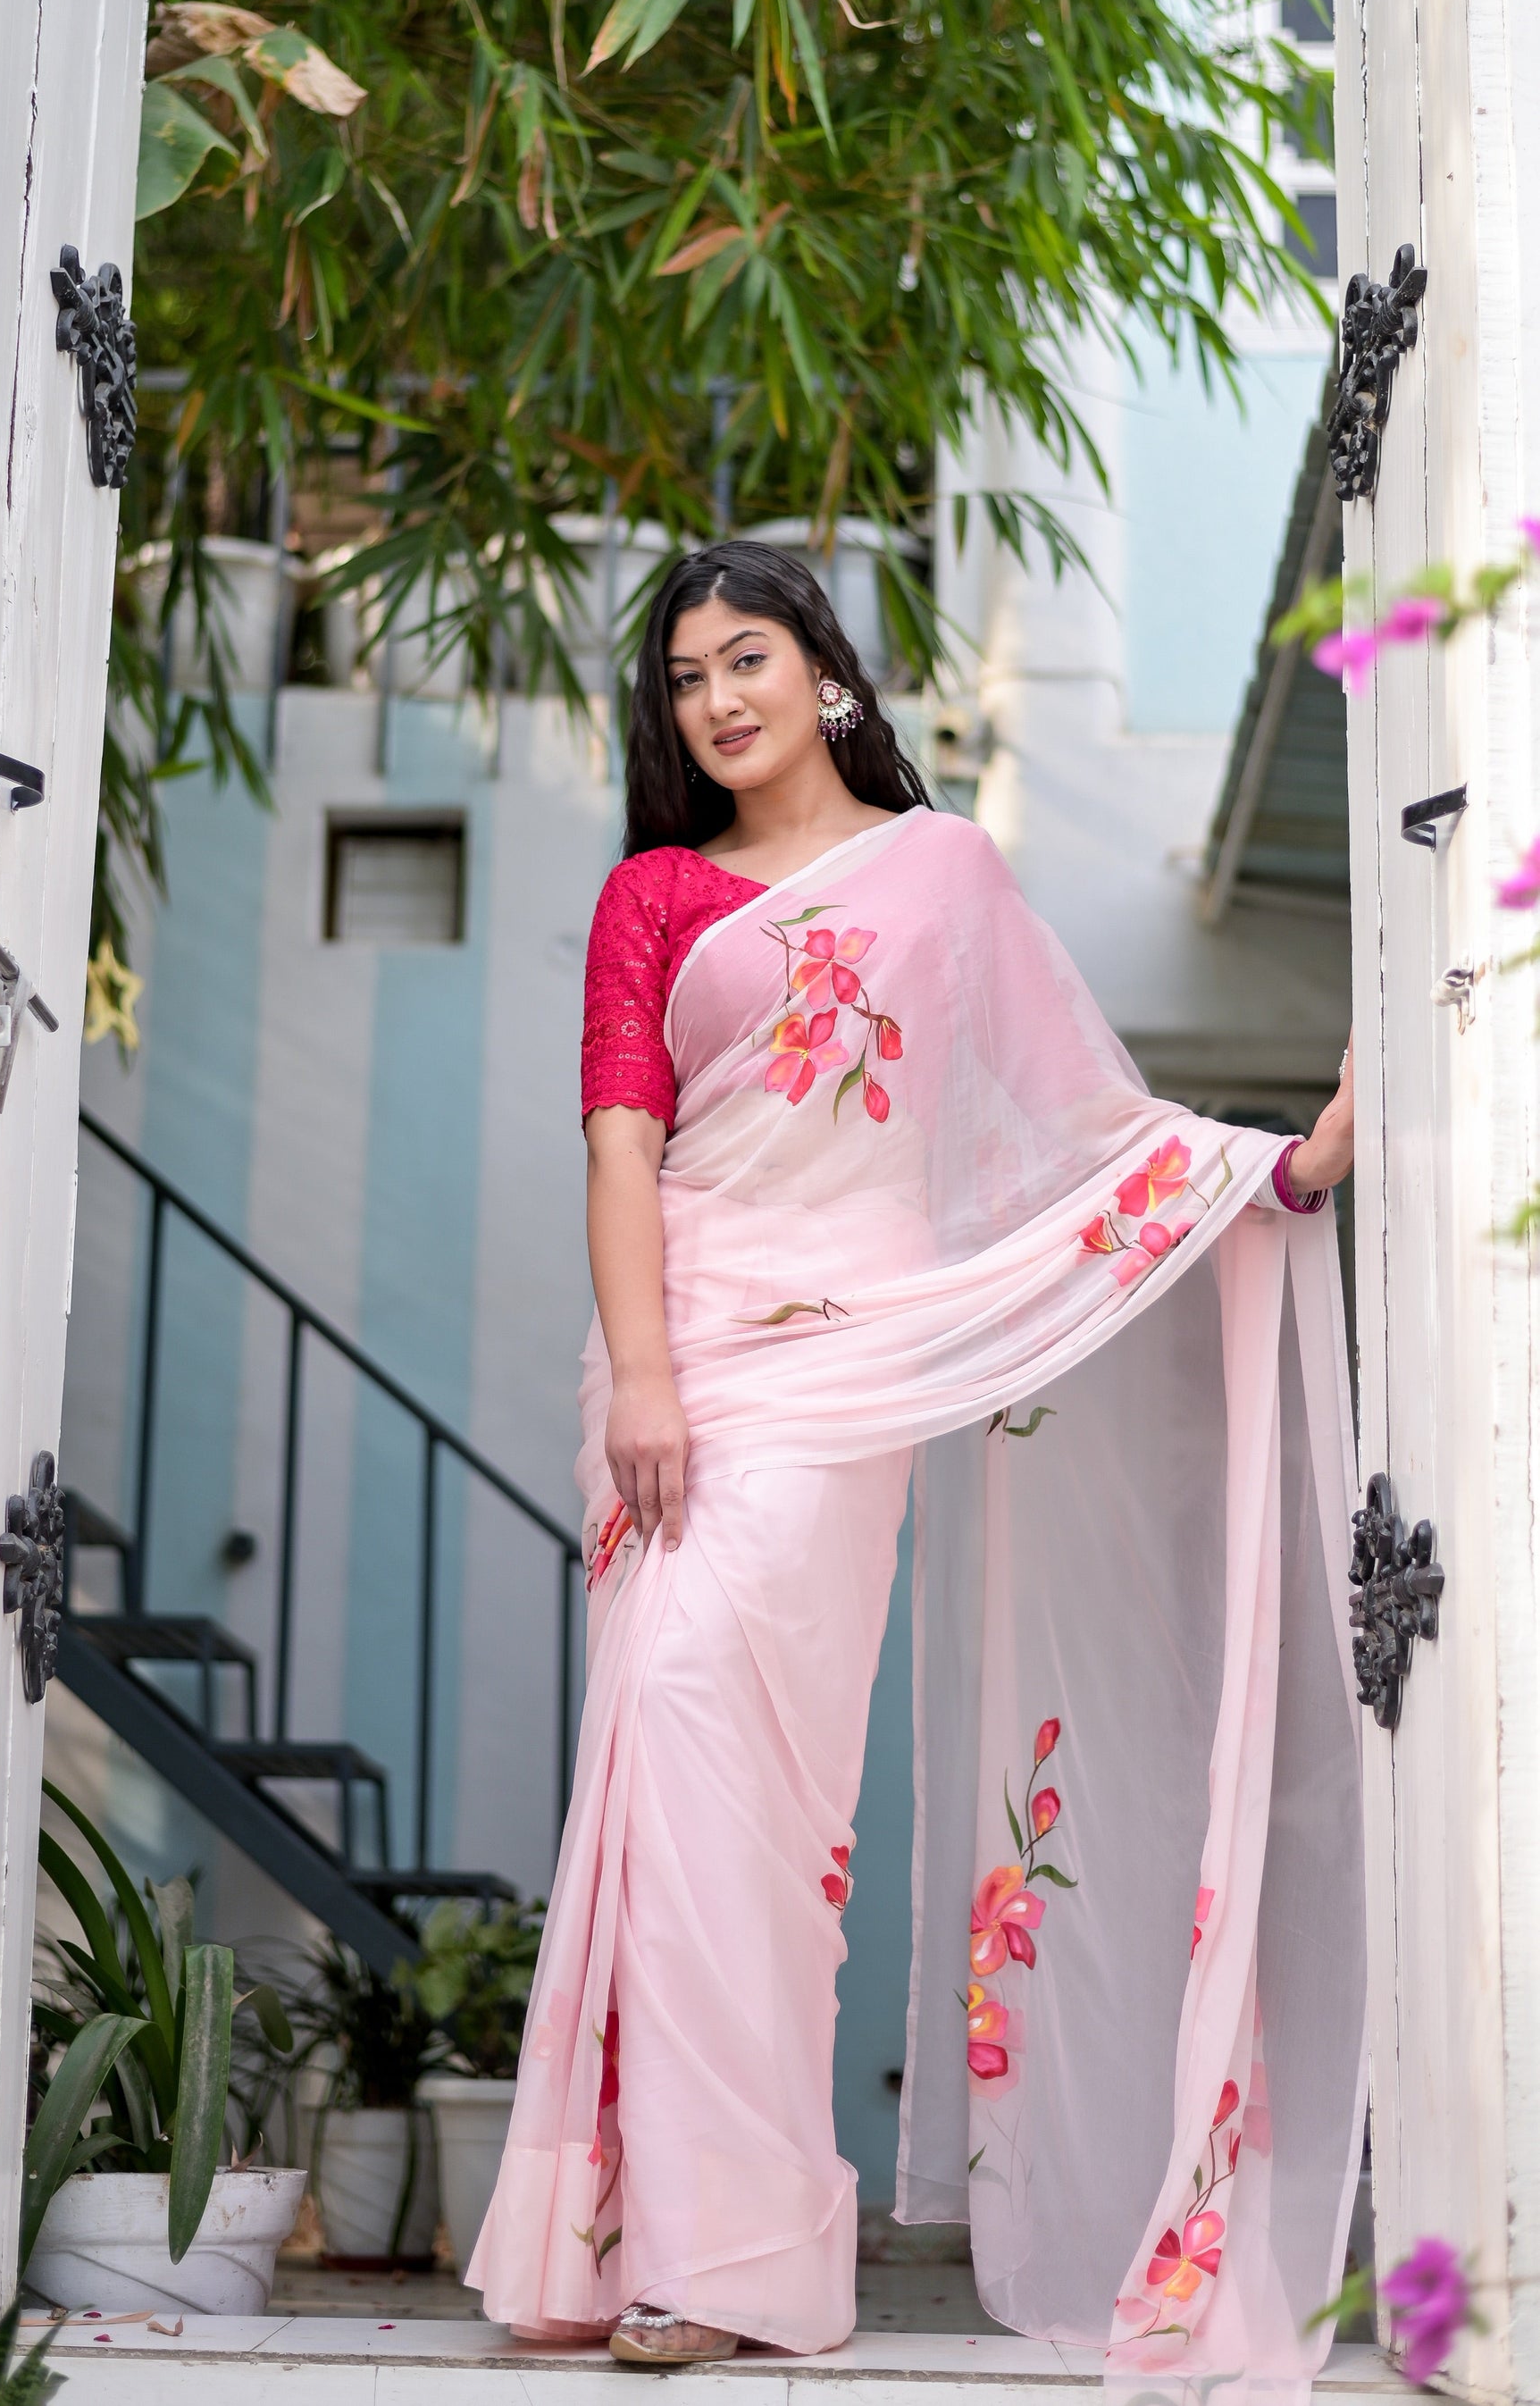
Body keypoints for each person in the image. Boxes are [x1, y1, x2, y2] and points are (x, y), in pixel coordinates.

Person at [468, 543, 1363, 2403]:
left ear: (828, 675)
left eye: (750, 659)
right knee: (668, 1761)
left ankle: (739, 2249)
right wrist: (642, 1373)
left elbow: (1076, 1126)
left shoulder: (942, 876)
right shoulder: (656, 896)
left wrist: (1268, 1171)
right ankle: (695, 2245)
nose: (717, 700)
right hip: (676, 1361)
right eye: (685, 678)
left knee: (761, 1806)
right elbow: (622, 1150)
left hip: (842, 1380)